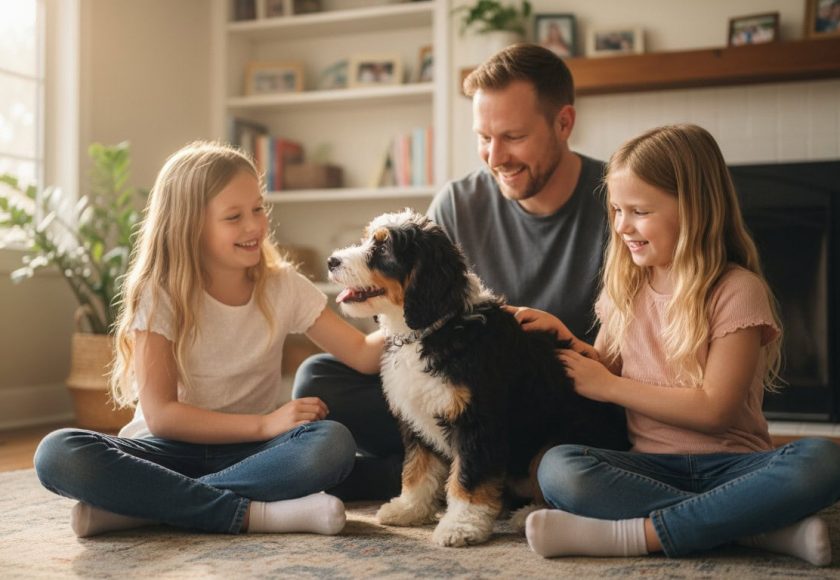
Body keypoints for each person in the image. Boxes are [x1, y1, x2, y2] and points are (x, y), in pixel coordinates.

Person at [292, 43, 617, 500]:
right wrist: (296, 300)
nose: (495, 156)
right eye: (484, 137)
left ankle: (434, 477)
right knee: (318, 381)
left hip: (550, 403)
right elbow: (409, 322)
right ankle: (461, 474)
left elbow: (634, 359)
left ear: (564, 123)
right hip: (457, 394)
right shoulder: (458, 202)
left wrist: (571, 340)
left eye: (514, 137)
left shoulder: (620, 206)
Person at [507, 124, 840, 566]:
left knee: (820, 460)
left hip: (735, 467)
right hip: (650, 466)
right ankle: (759, 529)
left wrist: (607, 386)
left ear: (695, 210)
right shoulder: (627, 286)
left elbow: (714, 410)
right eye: (616, 210)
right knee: (558, 469)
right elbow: (606, 367)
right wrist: (566, 339)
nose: (623, 226)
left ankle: (635, 535)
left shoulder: (736, 290)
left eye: (640, 211)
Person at [33, 141, 384, 537]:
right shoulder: (160, 293)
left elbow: (363, 355)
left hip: (252, 457)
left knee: (331, 444)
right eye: (233, 216)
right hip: (165, 452)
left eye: (258, 208)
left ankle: (142, 509)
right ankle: (259, 515)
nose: (253, 226)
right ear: (190, 226)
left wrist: (413, 306)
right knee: (58, 453)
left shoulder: (284, 286)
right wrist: (265, 424)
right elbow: (163, 416)